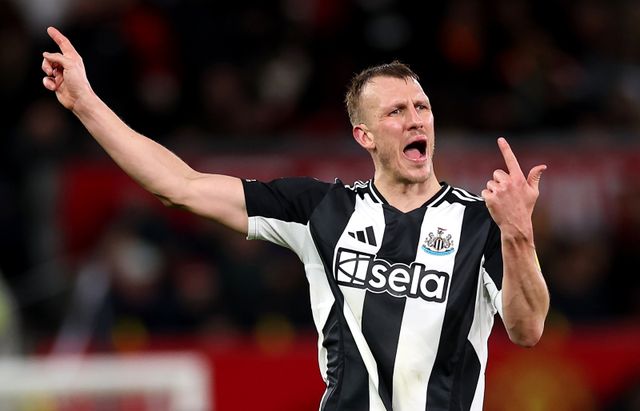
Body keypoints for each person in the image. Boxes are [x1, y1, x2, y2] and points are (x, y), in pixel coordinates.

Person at [42, 26, 549, 411]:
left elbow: (527, 331)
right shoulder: (322, 209)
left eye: (422, 107)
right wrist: (86, 103)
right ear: (364, 135)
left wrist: (518, 234)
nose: (415, 119)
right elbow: (180, 186)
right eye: (396, 112)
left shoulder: (482, 222)